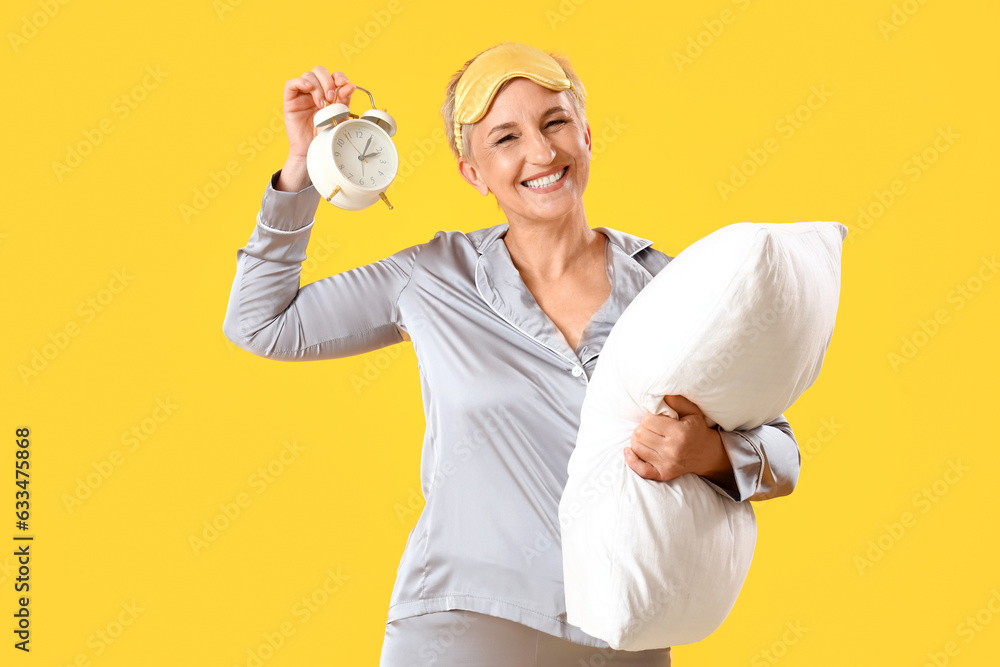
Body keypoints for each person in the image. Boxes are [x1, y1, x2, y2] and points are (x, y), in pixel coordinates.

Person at [222, 42, 801, 667]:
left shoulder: (670, 288)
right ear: (473, 172)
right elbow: (261, 322)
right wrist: (302, 173)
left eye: (555, 122)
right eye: (505, 138)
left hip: (621, 631)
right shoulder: (433, 277)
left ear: (585, 133)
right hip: (463, 624)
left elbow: (783, 457)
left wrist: (708, 453)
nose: (541, 152)